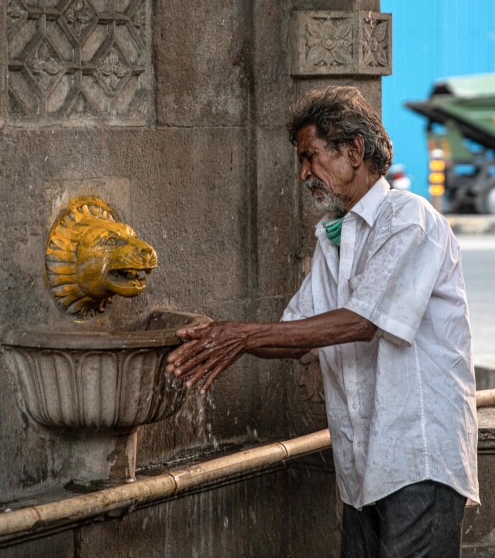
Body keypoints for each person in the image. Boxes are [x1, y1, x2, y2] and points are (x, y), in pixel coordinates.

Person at [166, 86, 479, 558]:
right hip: (363, 467)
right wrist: (222, 339)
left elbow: (362, 322)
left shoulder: (410, 219)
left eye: (310, 157)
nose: (303, 173)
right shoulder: (334, 238)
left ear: (354, 151)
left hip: (419, 458)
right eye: (301, 161)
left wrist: (244, 334)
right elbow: (297, 334)